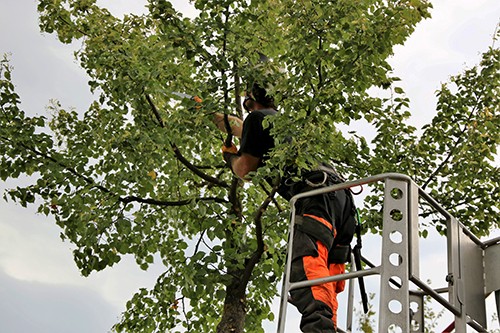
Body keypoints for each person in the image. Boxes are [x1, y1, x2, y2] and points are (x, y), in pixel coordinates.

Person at [213, 83, 356, 333]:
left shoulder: (257, 118)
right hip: (342, 203)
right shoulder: (284, 125)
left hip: (315, 197)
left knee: (306, 268)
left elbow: (244, 170)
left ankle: (321, 330)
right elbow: (237, 125)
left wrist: (230, 157)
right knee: (326, 276)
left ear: (250, 101)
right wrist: (211, 116)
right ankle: (328, 327)